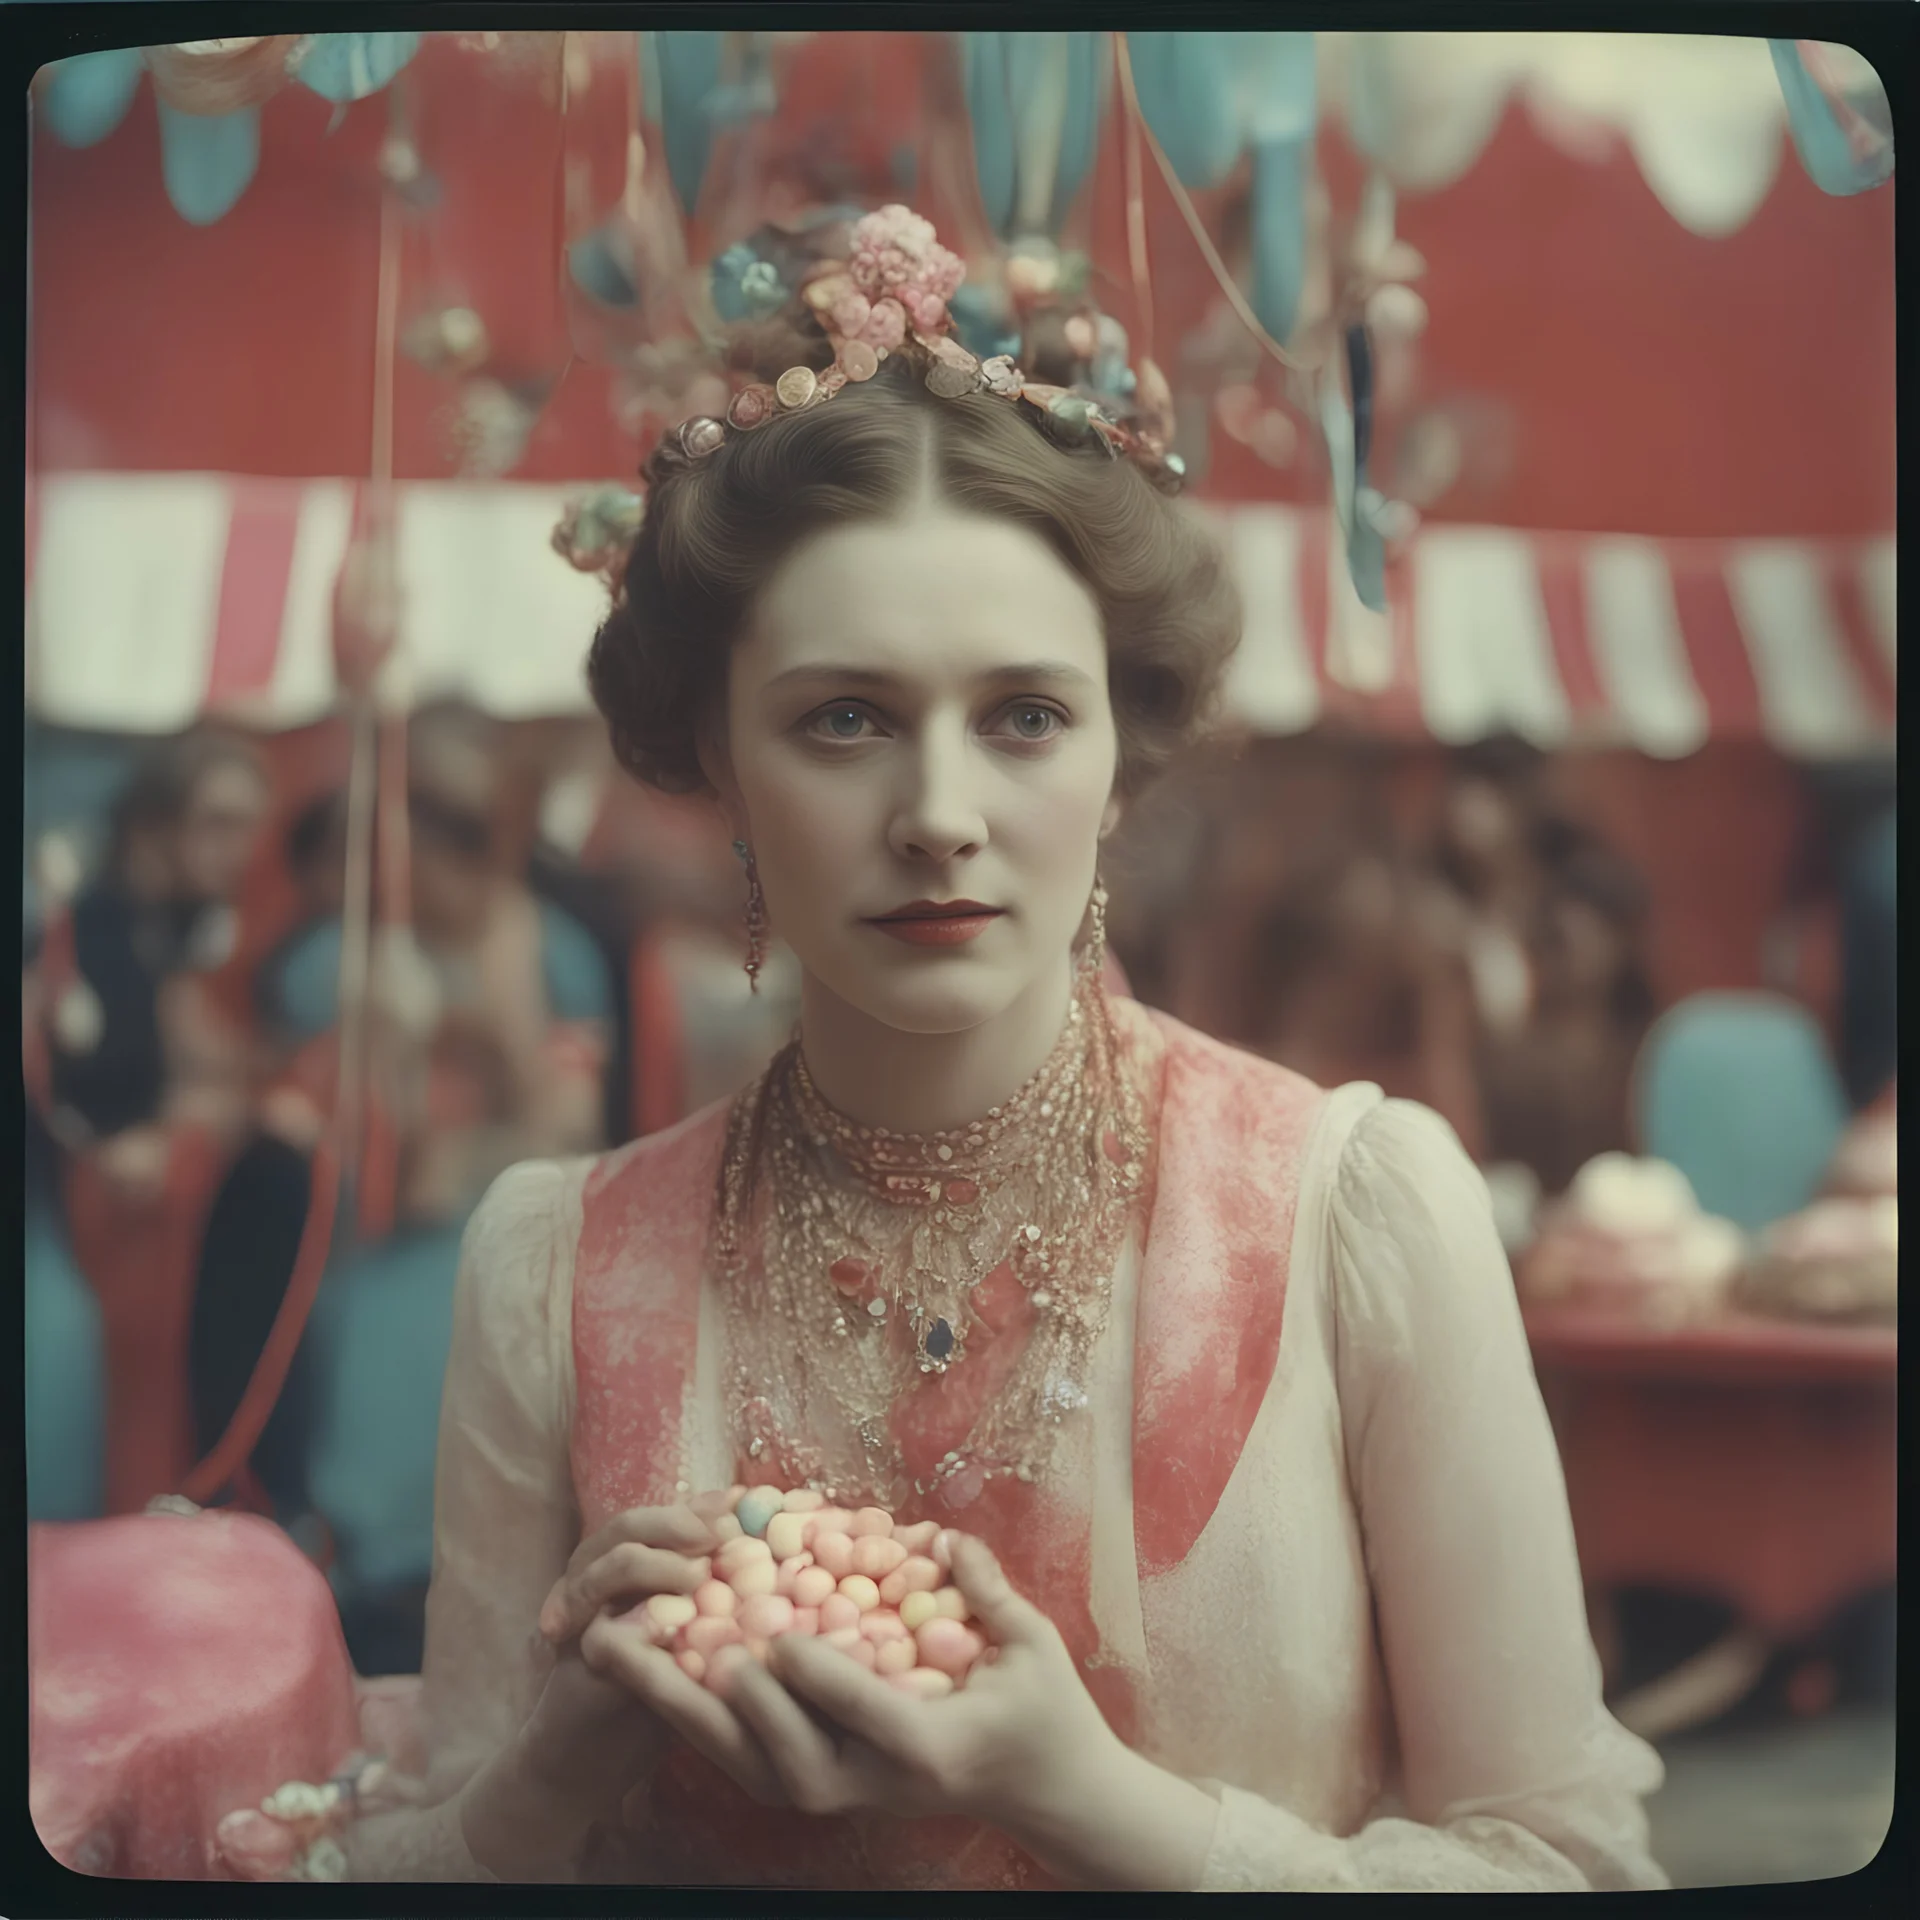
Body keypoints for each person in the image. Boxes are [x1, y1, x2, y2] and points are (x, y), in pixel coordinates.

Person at [336, 219, 1665, 1889]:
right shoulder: (557, 1264)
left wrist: (1095, 1800)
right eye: (844, 720)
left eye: (1025, 716)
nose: (941, 818)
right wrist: (548, 1770)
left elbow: (1571, 1866)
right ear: (716, 767)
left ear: (1119, 759)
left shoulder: (1354, 1213)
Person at [23, 728, 270, 1515]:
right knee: (63, 1342)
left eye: (249, 826)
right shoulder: (73, 929)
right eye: (220, 823)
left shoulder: (189, 930)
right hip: (54, 1195)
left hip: (142, 1208)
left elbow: (211, 1071)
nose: (242, 849)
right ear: (154, 824)